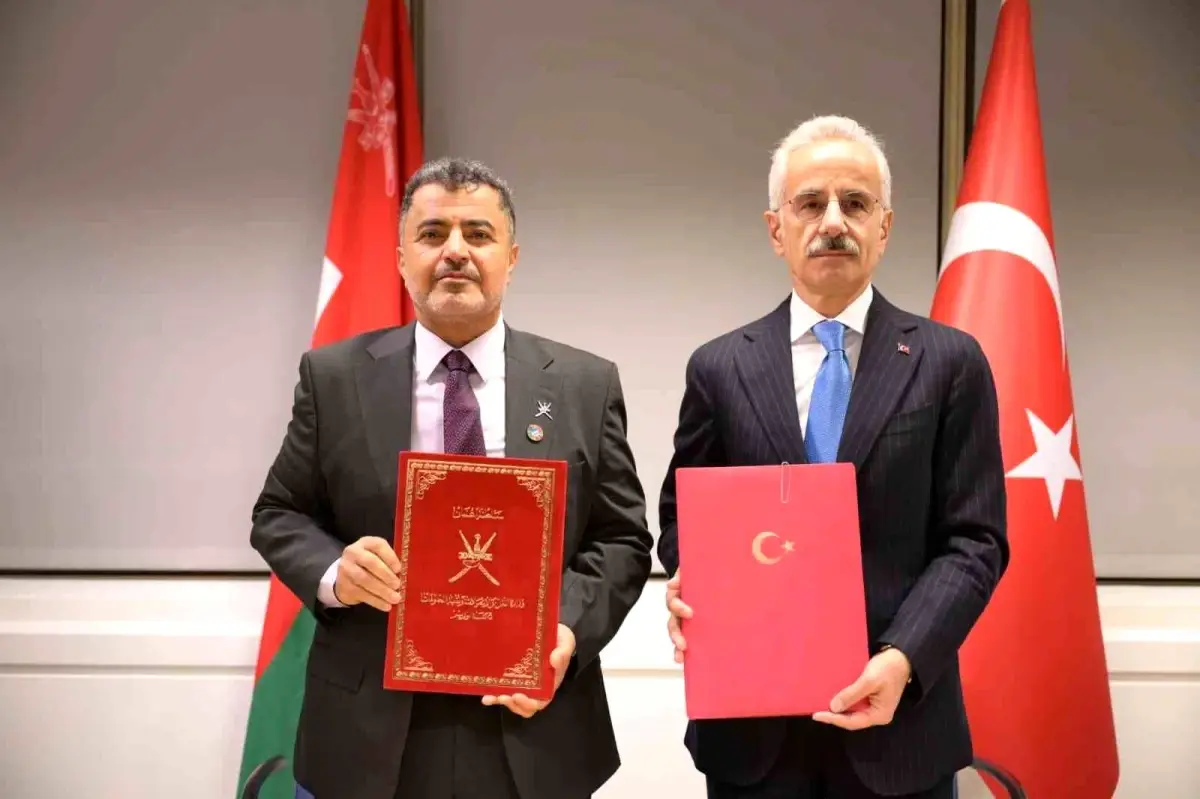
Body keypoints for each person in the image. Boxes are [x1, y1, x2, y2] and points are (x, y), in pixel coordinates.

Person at [250, 157, 654, 799]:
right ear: (401, 257)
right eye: (433, 234)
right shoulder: (333, 378)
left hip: (533, 726)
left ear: (511, 258)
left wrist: (565, 632)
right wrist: (335, 573)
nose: (455, 252)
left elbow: (622, 540)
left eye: (479, 234)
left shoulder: (584, 385)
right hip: (369, 729)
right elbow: (279, 514)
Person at [657, 115, 1009, 799]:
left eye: (855, 203)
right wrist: (690, 578)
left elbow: (976, 540)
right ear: (776, 229)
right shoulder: (720, 368)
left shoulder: (950, 362)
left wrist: (903, 659)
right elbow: (681, 520)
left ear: (884, 226)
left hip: (900, 728)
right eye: (811, 203)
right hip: (752, 734)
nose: (833, 222)